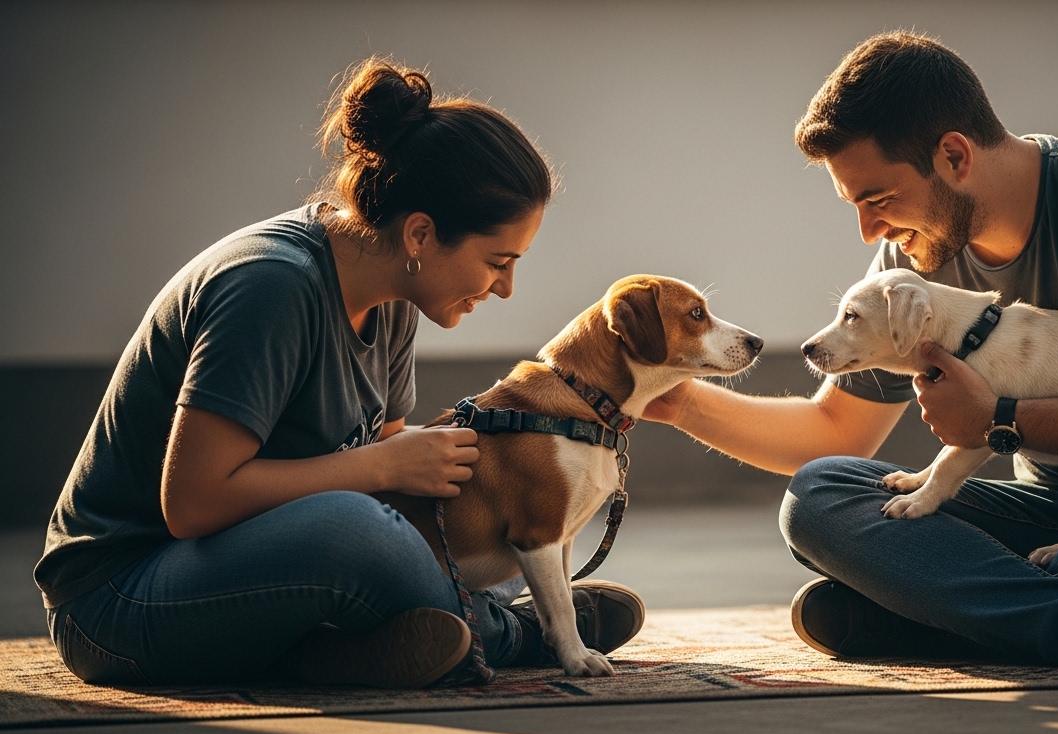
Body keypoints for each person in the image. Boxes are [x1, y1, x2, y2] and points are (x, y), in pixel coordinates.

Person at [644, 31, 1058, 675]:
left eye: (878, 199)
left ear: (956, 157)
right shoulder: (912, 259)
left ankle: (965, 613)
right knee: (820, 496)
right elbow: (832, 435)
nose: (870, 229)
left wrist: (999, 419)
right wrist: (673, 397)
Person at [34, 58, 643, 689]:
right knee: (354, 534)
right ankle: (516, 632)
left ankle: (343, 649)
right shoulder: (270, 288)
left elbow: (402, 499)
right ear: (421, 235)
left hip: (261, 562)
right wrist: (386, 464)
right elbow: (193, 503)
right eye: (498, 261)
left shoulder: (394, 300)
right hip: (123, 599)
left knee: (492, 526)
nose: (505, 289)